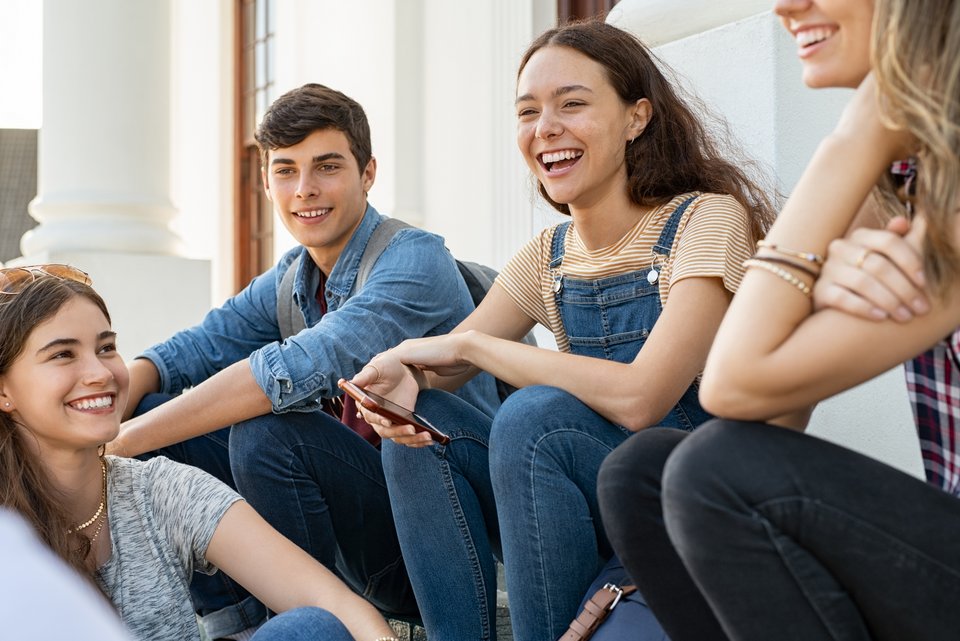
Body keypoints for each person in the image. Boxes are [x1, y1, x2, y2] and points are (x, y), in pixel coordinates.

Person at [350, 19, 774, 641]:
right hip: (575, 500)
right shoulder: (546, 256)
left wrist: (470, 346)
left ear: (637, 117)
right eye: (528, 111)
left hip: (681, 498)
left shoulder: (704, 220)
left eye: (572, 104)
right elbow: (444, 366)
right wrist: (401, 376)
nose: (545, 128)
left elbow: (642, 397)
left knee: (535, 417)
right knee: (424, 426)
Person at [597, 0, 960, 639]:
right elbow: (765, 419)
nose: (787, 6)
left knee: (713, 473)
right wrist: (819, 286)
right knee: (643, 473)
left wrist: (856, 135)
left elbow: (732, 385)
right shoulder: (909, 179)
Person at [106, 83, 499, 637]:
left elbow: (284, 373)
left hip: (437, 538)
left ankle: (300, 627)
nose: (304, 190)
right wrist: (97, 420)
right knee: (155, 408)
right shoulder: (295, 275)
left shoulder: (414, 259)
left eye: (327, 166)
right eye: (285, 170)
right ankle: (238, 621)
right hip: (350, 525)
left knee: (267, 436)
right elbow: (190, 352)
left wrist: (114, 446)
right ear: (266, 181)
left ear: (368, 173)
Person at [0, 265, 402, 641]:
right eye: (62, 355)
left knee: (311, 628)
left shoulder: (158, 491)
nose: (101, 373)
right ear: (4, 390)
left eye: (106, 348)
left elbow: (334, 604)